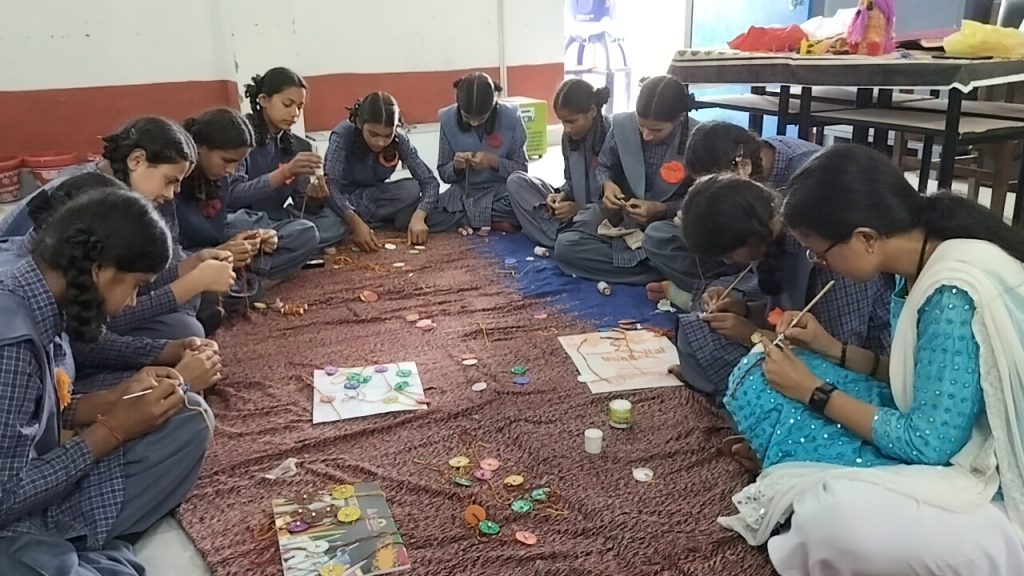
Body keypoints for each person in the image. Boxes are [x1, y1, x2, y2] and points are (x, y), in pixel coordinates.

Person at [719, 145, 1024, 575]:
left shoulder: (951, 296)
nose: (820, 263)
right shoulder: (919, 264)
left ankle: (796, 471)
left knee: (833, 518)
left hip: (990, 481)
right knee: (758, 367)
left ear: (865, 238)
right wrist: (830, 348)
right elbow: (918, 380)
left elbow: (928, 443)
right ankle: (793, 466)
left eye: (820, 252)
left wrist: (813, 391)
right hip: (945, 433)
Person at [0, 182, 213, 575]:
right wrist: (111, 430)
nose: (132, 301)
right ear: (100, 270)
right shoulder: (11, 342)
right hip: (11, 513)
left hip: (29, 475)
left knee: (186, 416)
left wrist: (118, 398)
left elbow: (35, 412)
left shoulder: (40, 293)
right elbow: (4, 496)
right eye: (136, 287)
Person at [0, 117, 235, 339]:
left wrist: (191, 266)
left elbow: (133, 275)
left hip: (84, 304)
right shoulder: (91, 200)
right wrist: (191, 285)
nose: (171, 194)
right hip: (51, 318)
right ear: (136, 160)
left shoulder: (128, 194)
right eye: (170, 180)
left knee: (193, 303)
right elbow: (94, 309)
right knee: (184, 326)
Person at [673, 173, 892, 402]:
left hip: (855, 368)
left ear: (752, 237)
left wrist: (752, 335)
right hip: (801, 346)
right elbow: (788, 313)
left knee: (756, 379)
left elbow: (837, 353)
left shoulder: (828, 257)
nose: (728, 261)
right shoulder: (771, 239)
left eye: (728, 253)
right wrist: (745, 310)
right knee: (695, 330)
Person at [643, 121, 822, 308]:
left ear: (743, 167)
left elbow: (793, 275)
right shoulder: (750, 162)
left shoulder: (803, 188)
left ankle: (715, 294)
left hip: (778, 260)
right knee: (658, 235)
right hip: (749, 250)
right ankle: (720, 293)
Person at [552, 75, 694, 285]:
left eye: (656, 130)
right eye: (641, 125)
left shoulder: (697, 138)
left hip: (667, 228)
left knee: (658, 235)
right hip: (624, 219)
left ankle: (653, 265)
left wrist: (663, 209)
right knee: (566, 245)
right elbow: (603, 166)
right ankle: (658, 270)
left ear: (679, 118)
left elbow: (704, 204)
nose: (646, 136)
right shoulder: (622, 126)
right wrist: (608, 185)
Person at [176, 108, 319, 301]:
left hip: (229, 238)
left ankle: (244, 285)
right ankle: (252, 286)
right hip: (191, 261)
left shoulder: (221, 176)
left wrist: (250, 241)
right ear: (200, 147)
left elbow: (217, 229)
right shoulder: (173, 183)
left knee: (305, 232)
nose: (231, 171)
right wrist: (221, 252)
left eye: (237, 164)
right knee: (198, 299)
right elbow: (169, 261)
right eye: (227, 161)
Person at [323, 92, 461, 251]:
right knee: (328, 224)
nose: (380, 142)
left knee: (411, 189)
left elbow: (429, 182)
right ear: (360, 123)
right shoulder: (343, 135)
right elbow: (330, 186)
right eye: (373, 134)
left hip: (375, 197)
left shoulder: (399, 140)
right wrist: (355, 223)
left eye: (387, 135)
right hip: (345, 201)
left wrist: (420, 216)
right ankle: (361, 223)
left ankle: (367, 222)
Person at [240, 67, 345, 251]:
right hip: (244, 219)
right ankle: (287, 246)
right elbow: (233, 196)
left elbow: (302, 204)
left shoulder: (298, 146)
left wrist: (313, 197)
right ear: (263, 100)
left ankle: (277, 246)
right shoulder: (240, 136)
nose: (294, 113)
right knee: (239, 223)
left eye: (299, 107)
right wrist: (285, 172)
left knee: (334, 221)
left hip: (277, 219)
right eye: (287, 104)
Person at [507, 78, 611, 249]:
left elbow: (616, 205)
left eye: (571, 121)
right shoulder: (568, 138)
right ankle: (567, 239)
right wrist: (562, 195)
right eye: (563, 122)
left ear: (592, 111)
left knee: (590, 221)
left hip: (598, 216)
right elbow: (570, 181)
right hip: (573, 214)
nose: (567, 129)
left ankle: (559, 239)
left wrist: (579, 209)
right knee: (516, 182)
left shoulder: (611, 136)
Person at [434, 72, 528, 234]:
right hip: (464, 194)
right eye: (467, 117)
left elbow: (522, 171)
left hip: (500, 193)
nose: (474, 123)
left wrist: (494, 162)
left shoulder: (511, 117)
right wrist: (456, 167)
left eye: (482, 118)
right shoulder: (448, 119)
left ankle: (467, 220)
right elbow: (443, 172)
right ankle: (492, 221)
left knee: (527, 204)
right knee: (430, 209)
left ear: (493, 107)